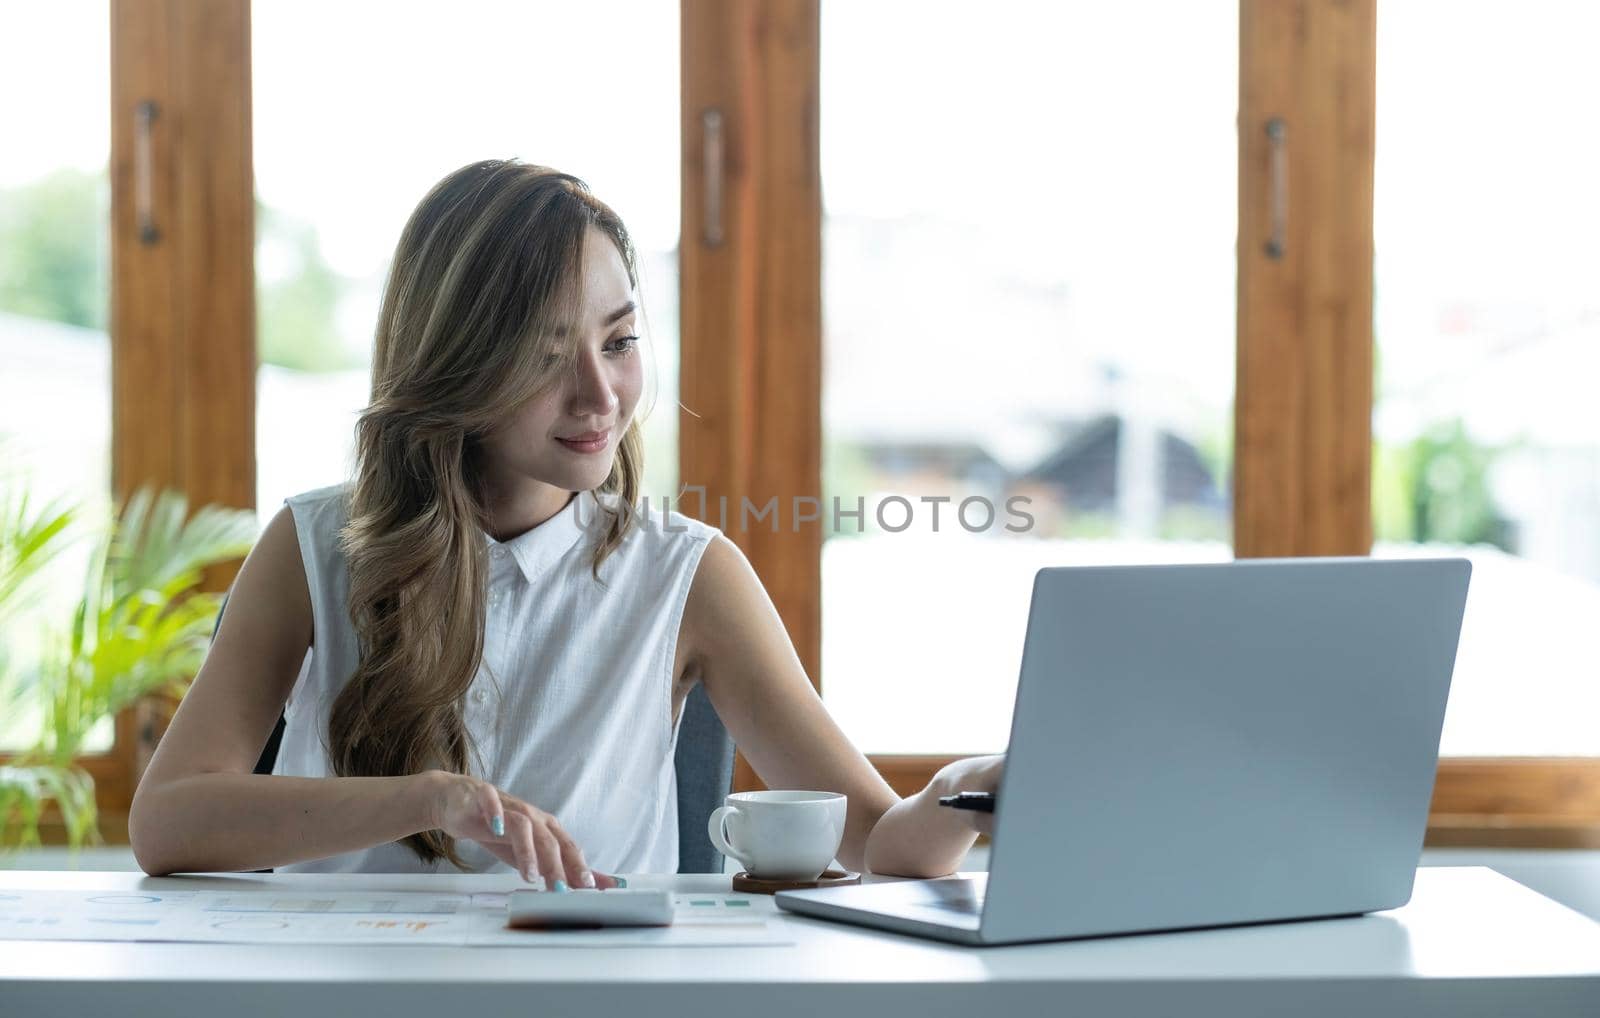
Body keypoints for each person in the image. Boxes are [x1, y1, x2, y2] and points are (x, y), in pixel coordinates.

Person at [128, 159, 1003, 890]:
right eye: (545, 356)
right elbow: (168, 822)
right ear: (455, 365)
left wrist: (962, 792)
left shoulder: (689, 572)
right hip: (348, 987)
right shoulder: (317, 546)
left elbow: (878, 847)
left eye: (618, 342)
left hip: (592, 988)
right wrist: (429, 799)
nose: (599, 395)